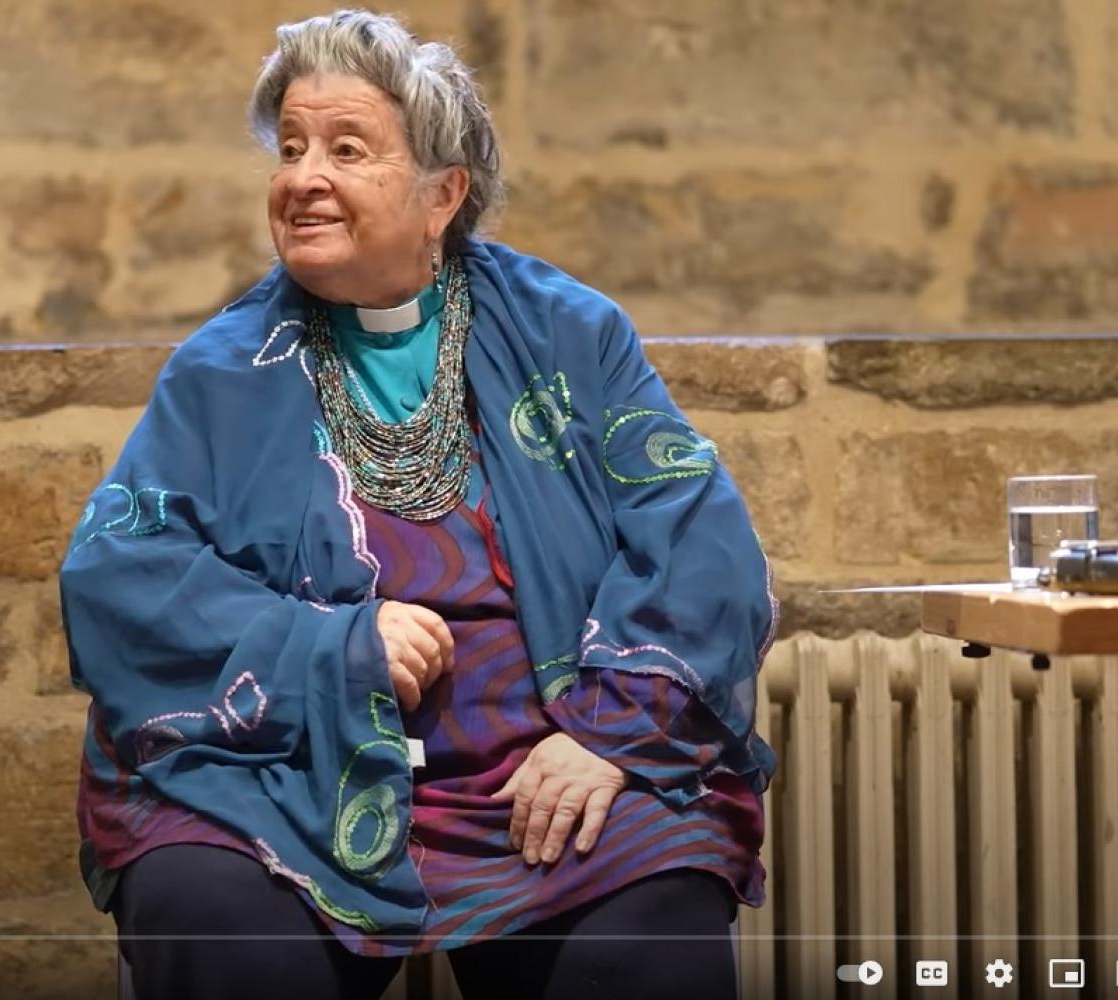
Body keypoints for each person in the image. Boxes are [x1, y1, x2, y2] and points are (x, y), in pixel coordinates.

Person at [60, 10, 776, 1000]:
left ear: (444, 193)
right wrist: (334, 646)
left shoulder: (571, 334)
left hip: (542, 756)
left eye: (346, 149)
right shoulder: (221, 373)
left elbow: (701, 541)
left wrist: (610, 733)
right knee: (210, 912)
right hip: (286, 772)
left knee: (646, 927)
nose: (304, 175)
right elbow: (117, 581)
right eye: (294, 146)